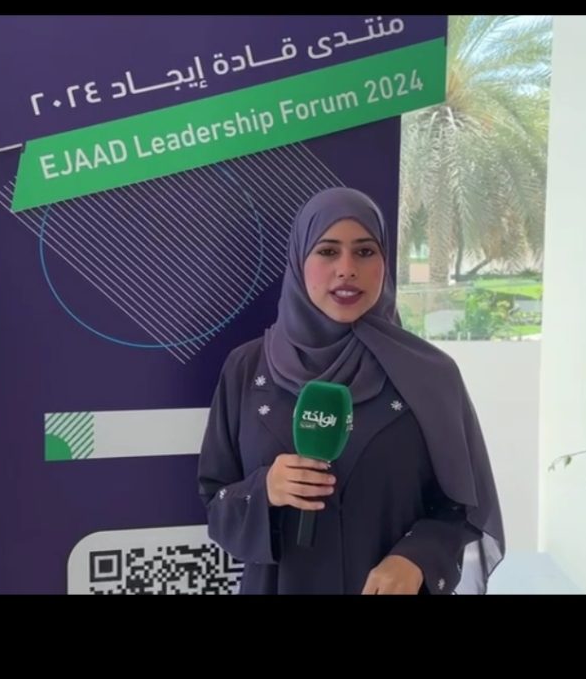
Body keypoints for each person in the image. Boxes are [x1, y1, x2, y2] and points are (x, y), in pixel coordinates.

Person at [197, 187, 504, 594]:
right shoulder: (247, 369)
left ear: (384, 262)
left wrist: (417, 557)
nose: (346, 269)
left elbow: (462, 506)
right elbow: (215, 500)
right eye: (327, 251)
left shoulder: (430, 375)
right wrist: (265, 489)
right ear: (299, 260)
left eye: (364, 251)